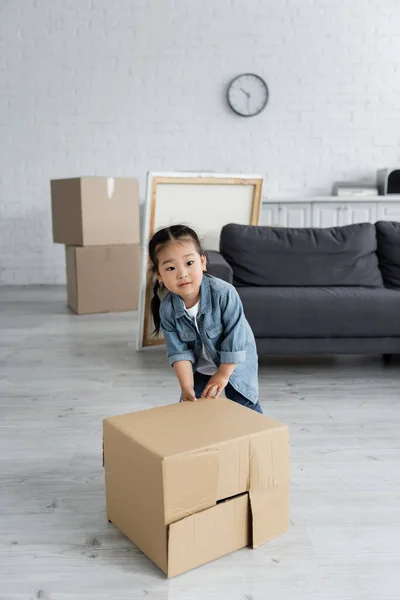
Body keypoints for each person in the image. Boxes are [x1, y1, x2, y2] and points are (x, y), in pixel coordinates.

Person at [148, 224, 263, 414]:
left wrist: (223, 374)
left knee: (245, 405)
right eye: (170, 267)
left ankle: (260, 442)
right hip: (199, 368)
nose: (182, 273)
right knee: (192, 410)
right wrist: (187, 389)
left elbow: (235, 340)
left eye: (189, 263)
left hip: (234, 363)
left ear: (202, 262)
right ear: (159, 275)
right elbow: (179, 353)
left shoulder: (224, 293)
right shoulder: (167, 309)